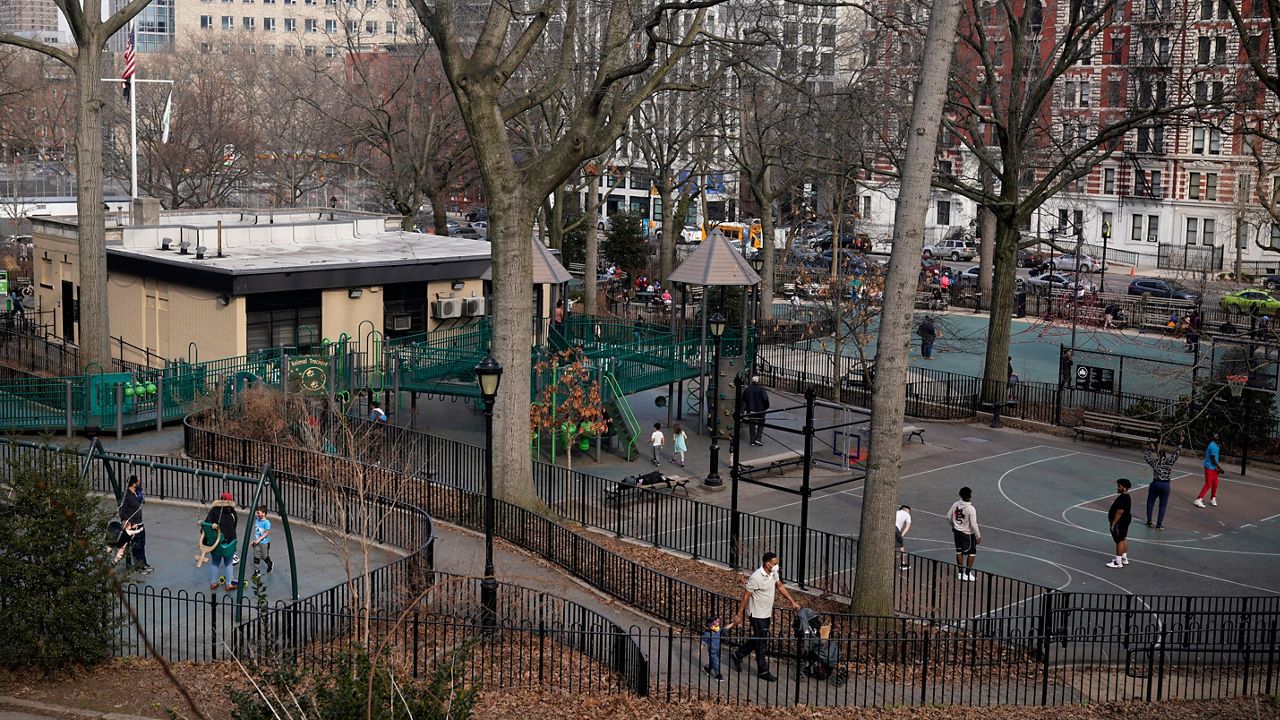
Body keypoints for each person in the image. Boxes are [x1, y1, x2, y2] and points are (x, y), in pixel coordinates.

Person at [730, 551, 800, 682]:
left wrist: (792, 601)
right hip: (757, 614)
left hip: (766, 613)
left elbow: (779, 586)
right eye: (775, 563)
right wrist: (739, 614)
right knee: (762, 643)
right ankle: (763, 671)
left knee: (758, 638)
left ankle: (737, 655)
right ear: (767, 564)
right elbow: (746, 596)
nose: (777, 565)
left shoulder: (773, 573)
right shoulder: (756, 577)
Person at [1143, 434, 1184, 529]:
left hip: (1155, 483)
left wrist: (1150, 449)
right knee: (1162, 505)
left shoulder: (1155, 462)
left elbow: (1147, 457)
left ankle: (1149, 521)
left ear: (1158, 455)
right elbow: (1177, 453)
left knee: (1150, 502)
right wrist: (1180, 443)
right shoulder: (1169, 462)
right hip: (1165, 485)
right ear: (1165, 456)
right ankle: (1159, 524)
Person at [202, 492, 239, 591]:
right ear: (230, 501)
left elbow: (206, 525)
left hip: (216, 542)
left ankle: (213, 583)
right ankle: (228, 584)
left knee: (215, 563)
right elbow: (234, 526)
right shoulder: (232, 513)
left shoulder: (213, 511)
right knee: (228, 563)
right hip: (229, 542)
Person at [119, 475, 152, 575]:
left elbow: (142, 501)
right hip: (133, 525)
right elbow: (122, 511)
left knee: (142, 544)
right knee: (136, 546)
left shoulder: (137, 493)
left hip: (140, 523)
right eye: (138, 481)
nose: (139, 482)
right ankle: (139, 567)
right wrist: (126, 521)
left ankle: (143, 563)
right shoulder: (127, 496)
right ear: (133, 483)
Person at [948, 487, 981, 581]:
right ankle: (967, 573)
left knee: (959, 551)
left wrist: (953, 525)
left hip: (957, 532)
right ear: (969, 496)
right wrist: (978, 535)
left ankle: (960, 573)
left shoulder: (955, 504)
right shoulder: (971, 509)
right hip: (967, 534)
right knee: (972, 553)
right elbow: (973, 524)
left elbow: (948, 516)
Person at [1106, 478, 1133, 568]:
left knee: (1119, 540)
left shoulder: (1123, 498)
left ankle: (1118, 562)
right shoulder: (1126, 496)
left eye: (1119, 486)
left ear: (1124, 488)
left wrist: (1113, 523)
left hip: (1120, 522)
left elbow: (1120, 512)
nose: (1117, 488)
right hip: (1125, 520)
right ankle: (1124, 558)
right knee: (1123, 538)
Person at [701, 615, 736, 682]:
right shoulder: (708, 634)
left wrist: (734, 623)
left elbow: (726, 628)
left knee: (713, 660)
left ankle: (707, 668)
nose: (718, 625)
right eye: (716, 624)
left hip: (718, 649)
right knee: (716, 662)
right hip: (712, 650)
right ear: (711, 625)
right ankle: (718, 675)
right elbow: (703, 642)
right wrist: (700, 649)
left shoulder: (718, 631)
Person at [1195, 432, 1222, 508]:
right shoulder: (1212, 446)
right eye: (1215, 436)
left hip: (1214, 467)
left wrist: (1217, 467)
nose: (1216, 436)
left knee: (1215, 483)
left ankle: (1212, 498)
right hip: (1209, 466)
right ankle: (1198, 499)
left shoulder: (1217, 446)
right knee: (1208, 484)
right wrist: (1219, 467)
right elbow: (1213, 459)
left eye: (1217, 435)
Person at [743, 376, 771, 446]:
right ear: (758, 381)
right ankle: (758, 439)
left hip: (750, 409)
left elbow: (744, 398)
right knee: (761, 424)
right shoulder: (761, 389)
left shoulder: (748, 389)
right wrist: (766, 407)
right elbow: (765, 399)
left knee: (752, 425)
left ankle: (752, 440)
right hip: (760, 410)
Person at [251, 505, 274, 578]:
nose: (257, 514)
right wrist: (254, 540)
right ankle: (257, 571)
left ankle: (270, 563)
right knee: (256, 556)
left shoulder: (266, 522)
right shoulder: (257, 521)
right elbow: (256, 533)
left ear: (263, 513)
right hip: (257, 542)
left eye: (258, 513)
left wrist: (259, 539)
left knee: (264, 556)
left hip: (264, 543)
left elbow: (266, 533)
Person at [895, 505, 912, 571]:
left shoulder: (896, 512)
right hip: (896, 529)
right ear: (907, 510)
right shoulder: (907, 515)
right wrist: (902, 535)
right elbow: (907, 526)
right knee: (901, 546)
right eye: (909, 511)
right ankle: (903, 564)